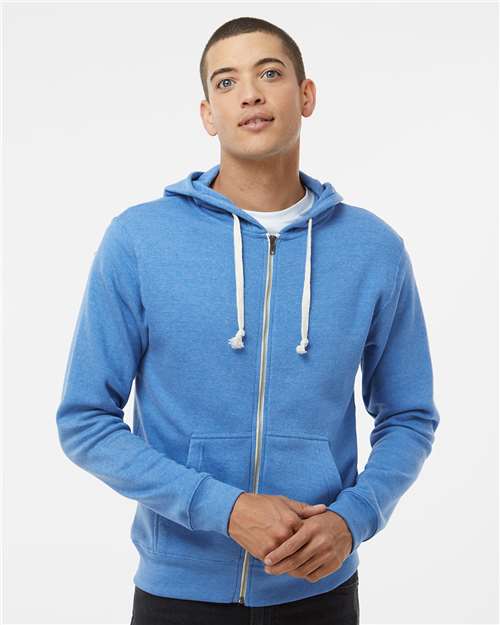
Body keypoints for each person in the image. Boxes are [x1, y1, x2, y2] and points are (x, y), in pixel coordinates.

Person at [55, 16, 440, 625]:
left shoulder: (374, 250)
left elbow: (410, 416)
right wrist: (224, 508)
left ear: (306, 95)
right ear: (208, 114)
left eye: (270, 73)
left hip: (319, 591)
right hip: (177, 594)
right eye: (227, 82)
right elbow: (85, 420)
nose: (251, 94)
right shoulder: (140, 240)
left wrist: (353, 518)